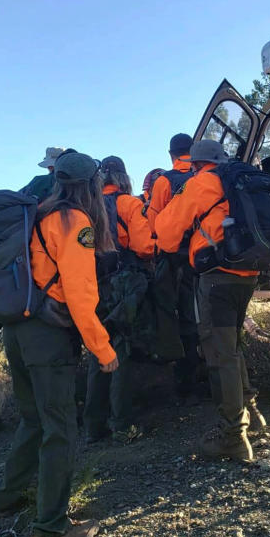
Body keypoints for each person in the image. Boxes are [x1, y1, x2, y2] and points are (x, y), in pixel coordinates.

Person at [0, 151, 117, 537]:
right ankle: (51, 528)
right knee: (60, 427)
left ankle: (7, 501)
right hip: (47, 337)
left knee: (33, 420)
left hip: (18, 328)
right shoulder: (74, 222)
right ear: (90, 185)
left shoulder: (38, 213)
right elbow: (80, 295)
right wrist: (103, 348)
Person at [155, 140, 265, 463]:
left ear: (197, 163)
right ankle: (252, 413)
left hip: (217, 277)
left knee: (219, 351)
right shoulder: (240, 180)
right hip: (248, 273)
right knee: (232, 345)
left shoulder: (201, 183)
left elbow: (165, 232)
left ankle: (233, 435)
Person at [84, 156, 154, 444]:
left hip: (91, 286)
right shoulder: (128, 204)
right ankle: (123, 424)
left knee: (96, 350)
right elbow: (144, 246)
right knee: (119, 350)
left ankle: (93, 426)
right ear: (123, 177)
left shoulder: (87, 209)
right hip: (122, 285)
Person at [147, 133, 202, 405]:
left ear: (171, 155)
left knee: (172, 314)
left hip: (173, 258)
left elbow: (153, 222)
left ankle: (181, 379)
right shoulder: (203, 177)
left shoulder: (164, 181)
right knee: (200, 314)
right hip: (204, 256)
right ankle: (203, 374)